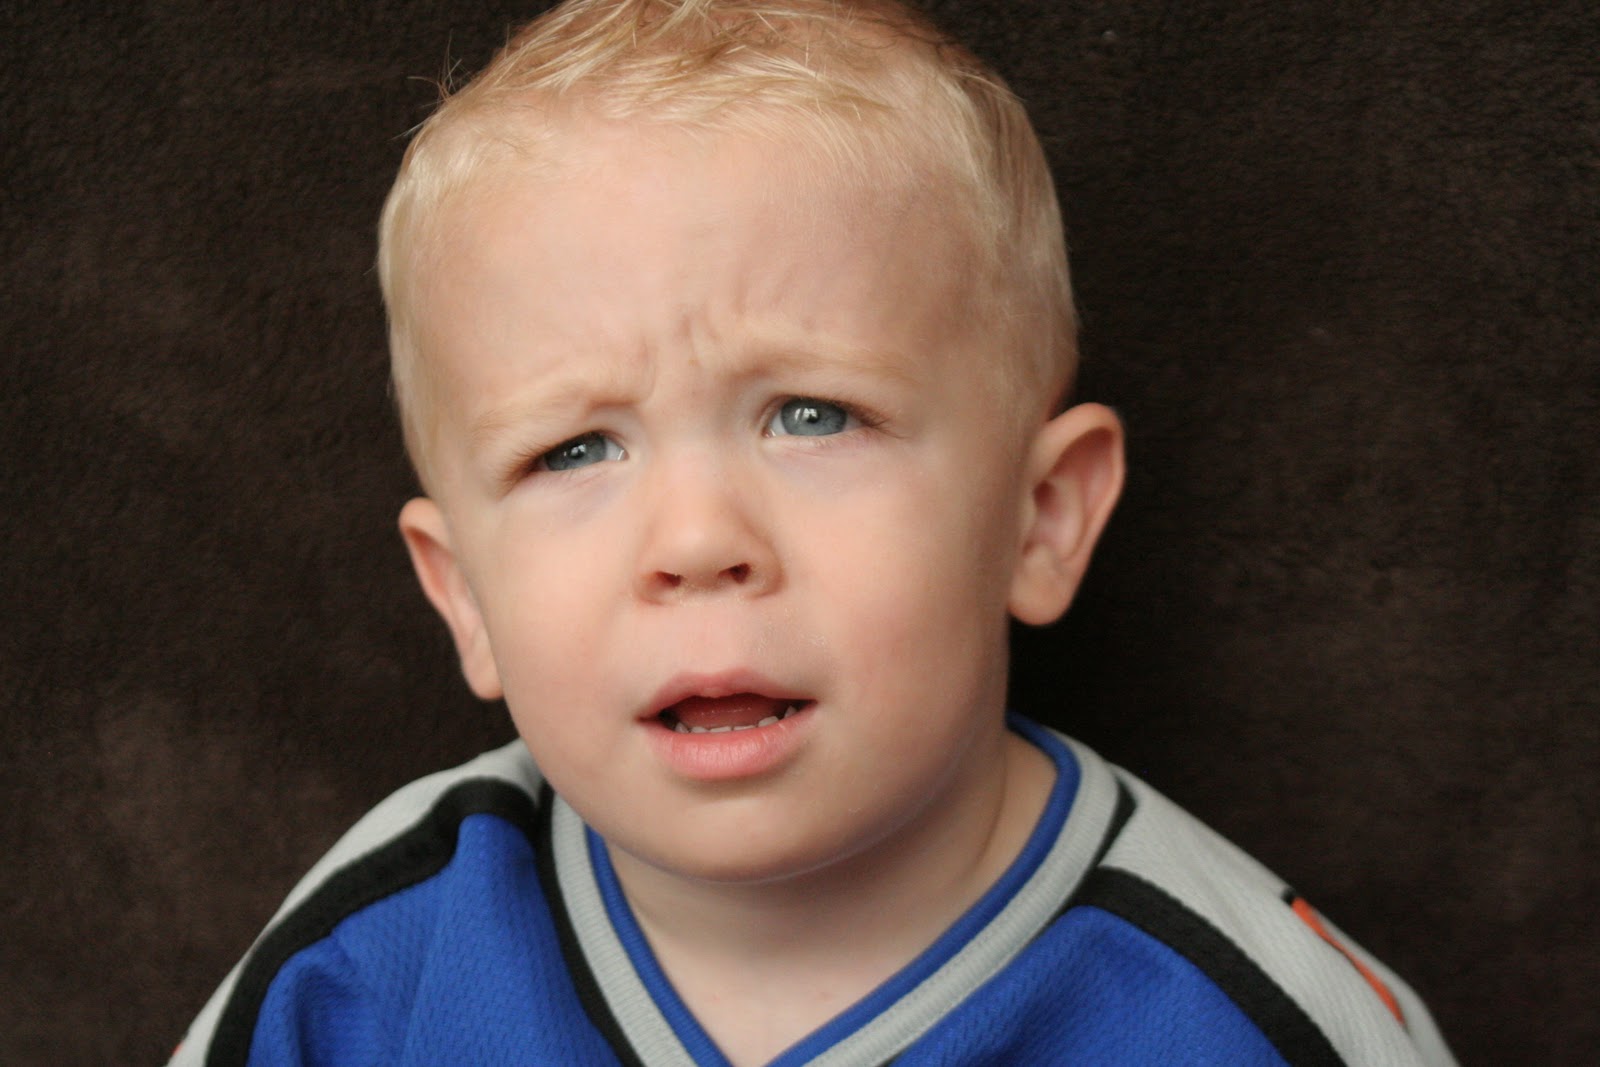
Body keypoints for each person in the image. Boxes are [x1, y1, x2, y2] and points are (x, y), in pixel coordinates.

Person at [171, 1, 1457, 1063]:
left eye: (811, 415)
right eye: (573, 449)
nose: (696, 540)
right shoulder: (362, 967)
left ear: (1042, 515)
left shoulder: (1246, 1014)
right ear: (464, 598)